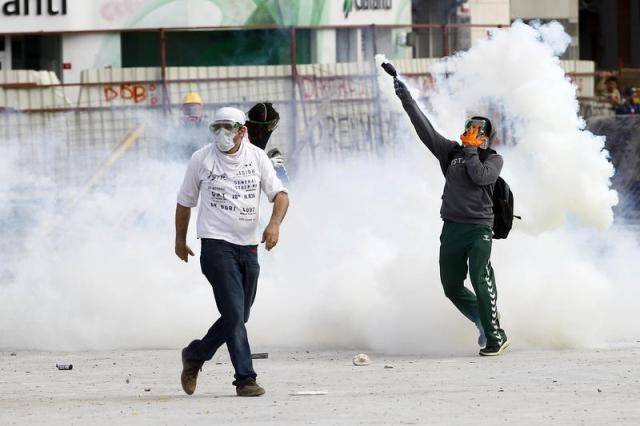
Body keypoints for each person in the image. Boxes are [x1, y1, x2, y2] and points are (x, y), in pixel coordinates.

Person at [175, 106, 289, 396]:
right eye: (217, 128)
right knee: (235, 315)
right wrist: (180, 239)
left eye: (229, 128)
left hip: (248, 247)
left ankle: (196, 354)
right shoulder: (201, 159)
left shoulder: (257, 157)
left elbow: (281, 196)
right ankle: (245, 379)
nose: (223, 134)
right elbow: (184, 202)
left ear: (242, 131)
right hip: (215, 246)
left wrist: (274, 225)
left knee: (239, 314)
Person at [393, 78, 509, 356]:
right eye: (468, 128)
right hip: (453, 228)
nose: (469, 133)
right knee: (452, 286)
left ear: (485, 137)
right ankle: (482, 319)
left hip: (479, 228)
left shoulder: (493, 159)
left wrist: (471, 151)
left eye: (476, 131)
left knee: (481, 278)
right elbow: (426, 130)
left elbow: (481, 177)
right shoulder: (450, 153)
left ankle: (495, 336)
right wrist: (405, 97)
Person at [246, 102, 289, 183]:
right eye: (271, 125)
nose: (270, 129)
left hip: (253, 173)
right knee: (273, 162)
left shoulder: (255, 132)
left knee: (274, 155)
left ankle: (287, 192)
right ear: (260, 125)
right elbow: (241, 166)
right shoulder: (243, 137)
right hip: (240, 183)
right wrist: (268, 164)